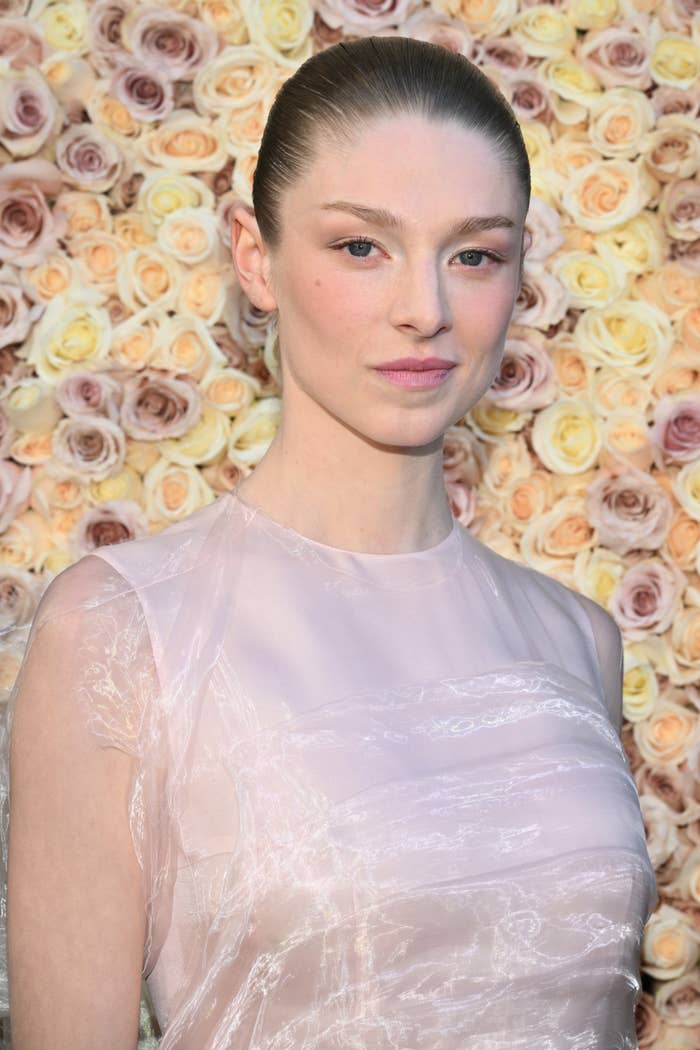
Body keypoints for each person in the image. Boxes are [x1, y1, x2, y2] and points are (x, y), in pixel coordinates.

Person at [0, 35, 657, 1050]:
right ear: (254, 258)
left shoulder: (576, 642)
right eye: (360, 247)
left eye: (473, 254)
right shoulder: (123, 630)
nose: (424, 311)